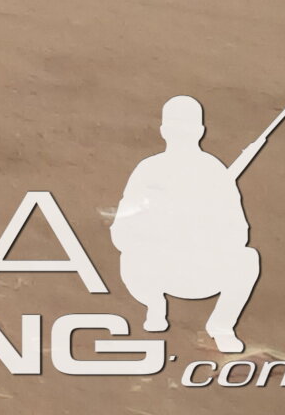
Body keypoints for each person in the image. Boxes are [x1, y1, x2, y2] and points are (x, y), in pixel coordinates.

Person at [109, 94, 265, 354]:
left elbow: (238, 233)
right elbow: (122, 231)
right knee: (248, 259)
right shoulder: (153, 170)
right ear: (200, 131)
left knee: (247, 258)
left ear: (163, 131)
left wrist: (201, 228)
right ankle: (156, 306)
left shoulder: (211, 173)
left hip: (199, 271)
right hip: (159, 270)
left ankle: (221, 326)